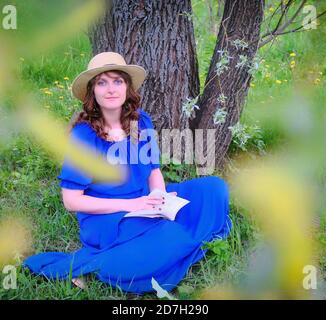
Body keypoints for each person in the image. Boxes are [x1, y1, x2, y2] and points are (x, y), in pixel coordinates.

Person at [23, 52, 232, 294]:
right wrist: (132, 204)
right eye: (102, 82)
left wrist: (159, 195)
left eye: (117, 81)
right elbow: (71, 201)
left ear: (127, 87)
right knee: (172, 237)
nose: (110, 89)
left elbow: (153, 170)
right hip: (110, 218)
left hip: (145, 201)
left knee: (214, 189)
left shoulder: (140, 121)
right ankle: (105, 263)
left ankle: (168, 237)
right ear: (92, 92)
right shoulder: (85, 136)